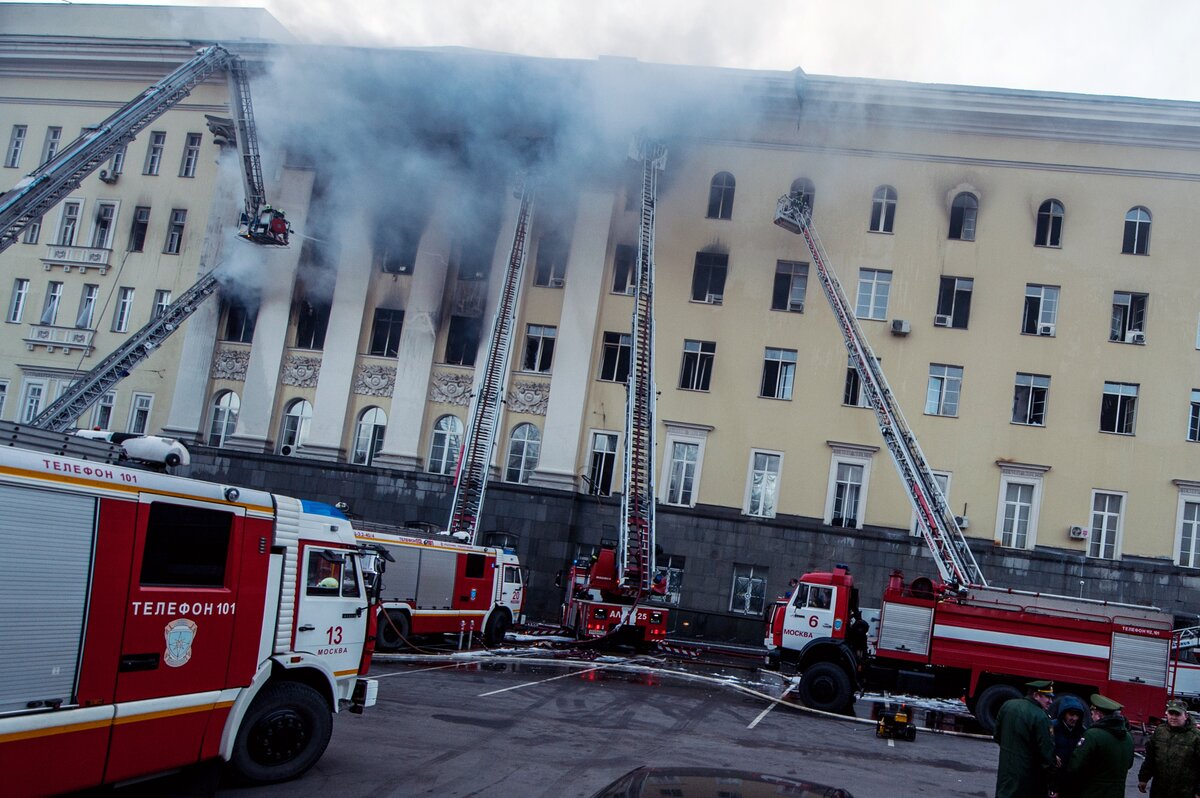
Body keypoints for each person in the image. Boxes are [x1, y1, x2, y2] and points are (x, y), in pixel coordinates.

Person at [993, 679, 1057, 798]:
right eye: (1047, 697)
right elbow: (1046, 754)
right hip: (1028, 778)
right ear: (1036, 695)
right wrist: (1053, 784)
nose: (1050, 701)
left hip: (1005, 774)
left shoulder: (1008, 705)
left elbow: (997, 735)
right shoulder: (1041, 717)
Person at [1068, 694, 1135, 798]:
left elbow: (1075, 766)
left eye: (1092, 714)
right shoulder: (1128, 737)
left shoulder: (1092, 735)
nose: (1091, 717)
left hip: (1093, 792)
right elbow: (1129, 764)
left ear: (1099, 715)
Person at [1137, 699, 1200, 797]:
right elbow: (1150, 758)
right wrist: (1143, 778)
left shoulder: (1195, 737)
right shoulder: (1160, 732)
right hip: (1159, 790)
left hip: (1185, 791)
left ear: (1186, 716)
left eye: (1177, 714)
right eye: (1171, 713)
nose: (1173, 717)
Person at [1050, 694, 1089, 798]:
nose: (1074, 718)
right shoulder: (1052, 728)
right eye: (1071, 714)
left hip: (1073, 784)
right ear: (1063, 714)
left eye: (1077, 715)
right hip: (1054, 780)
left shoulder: (1083, 732)